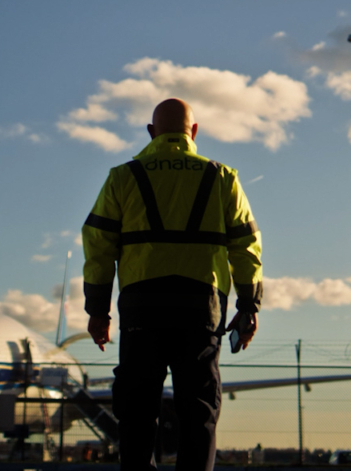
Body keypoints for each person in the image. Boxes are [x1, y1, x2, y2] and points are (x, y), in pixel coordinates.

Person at [82, 98, 264, 471]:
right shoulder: (222, 177)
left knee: (136, 408)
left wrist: (98, 311)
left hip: (141, 305)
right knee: (199, 410)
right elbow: (246, 247)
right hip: (201, 305)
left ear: (152, 133)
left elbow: (98, 246)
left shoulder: (123, 177)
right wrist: (248, 307)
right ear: (193, 132)